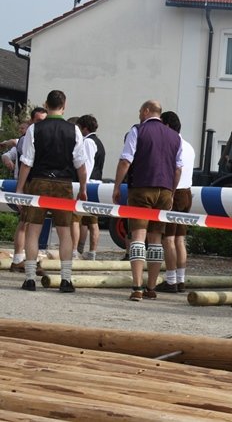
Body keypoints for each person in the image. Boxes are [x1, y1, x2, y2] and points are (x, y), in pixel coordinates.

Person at [16, 90, 87, 292]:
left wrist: (20, 188)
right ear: (64, 106)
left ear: (46, 104)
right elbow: (80, 165)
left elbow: (26, 162)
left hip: (39, 182)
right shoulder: (74, 130)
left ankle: (30, 278)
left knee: (33, 229)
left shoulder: (34, 129)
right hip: (63, 184)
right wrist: (83, 188)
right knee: (64, 232)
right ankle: (65, 280)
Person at [112, 100, 182, 302]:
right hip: (165, 191)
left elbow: (126, 160)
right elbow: (178, 169)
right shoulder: (174, 136)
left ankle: (137, 286)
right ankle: (151, 286)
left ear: (146, 111)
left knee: (138, 238)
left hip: (141, 188)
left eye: (140, 111)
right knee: (156, 240)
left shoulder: (137, 131)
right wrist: (172, 192)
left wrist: (117, 185)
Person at [4, 108, 48, 275]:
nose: (42, 124)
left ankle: (26, 259)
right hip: (29, 183)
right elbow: (27, 160)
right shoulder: (27, 137)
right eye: (38, 121)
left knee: (31, 224)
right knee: (26, 223)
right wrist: (20, 188)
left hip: (37, 183)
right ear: (31, 121)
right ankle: (20, 260)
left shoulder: (36, 135)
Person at [157, 111, 196, 293]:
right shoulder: (189, 145)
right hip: (187, 192)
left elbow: (175, 171)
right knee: (180, 239)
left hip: (175, 191)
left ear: (166, 126)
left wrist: (169, 194)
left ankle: (171, 280)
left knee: (169, 239)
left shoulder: (172, 144)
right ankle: (180, 279)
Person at [71, 114, 105, 261]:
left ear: (84, 128)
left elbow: (87, 164)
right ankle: (91, 252)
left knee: (76, 219)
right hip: (96, 184)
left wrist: (82, 185)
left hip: (89, 184)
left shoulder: (88, 142)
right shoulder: (98, 142)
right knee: (91, 221)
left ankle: (74, 250)